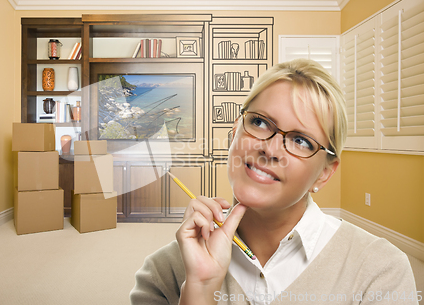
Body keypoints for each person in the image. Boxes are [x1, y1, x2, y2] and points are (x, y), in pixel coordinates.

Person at [130, 59, 419, 305]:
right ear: (234, 135)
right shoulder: (162, 273)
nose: (269, 149)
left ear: (325, 173)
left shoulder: (381, 270)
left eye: (300, 140)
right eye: (259, 123)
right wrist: (200, 291)